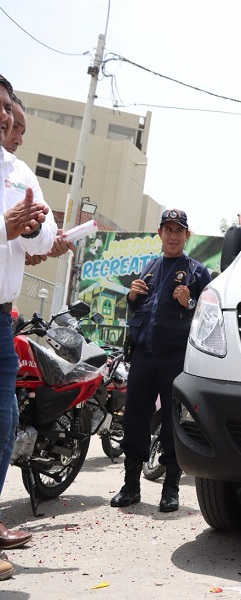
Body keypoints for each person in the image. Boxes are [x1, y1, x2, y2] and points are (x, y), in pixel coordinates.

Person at [111, 209, 211, 512]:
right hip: (143, 356)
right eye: (168, 229)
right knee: (134, 420)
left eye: (178, 230)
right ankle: (131, 486)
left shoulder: (197, 272)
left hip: (175, 359)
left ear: (187, 236)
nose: (173, 235)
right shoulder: (149, 268)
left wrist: (189, 301)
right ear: (160, 233)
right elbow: (137, 311)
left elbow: (209, 318)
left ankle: (171, 489)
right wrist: (131, 296)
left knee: (171, 423)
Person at [0, 74, 57, 581]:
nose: (5, 119)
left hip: (2, 319)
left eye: (6, 108)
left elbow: (37, 240)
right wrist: (6, 228)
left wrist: (39, 232)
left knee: (3, 423)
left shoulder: (19, 172)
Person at [1, 93, 74, 265]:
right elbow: (7, 228)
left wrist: (33, 234)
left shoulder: (24, 174)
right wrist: (6, 227)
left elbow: (47, 230)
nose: (19, 140)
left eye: (22, 131)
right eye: (13, 128)